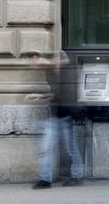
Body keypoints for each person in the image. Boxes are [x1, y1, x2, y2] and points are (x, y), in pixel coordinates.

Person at [25, 50, 84, 189]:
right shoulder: (50, 72)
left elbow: (64, 94)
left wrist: (39, 96)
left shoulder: (68, 71)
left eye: (33, 63)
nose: (33, 67)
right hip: (55, 115)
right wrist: (42, 97)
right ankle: (45, 179)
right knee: (47, 148)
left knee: (71, 148)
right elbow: (55, 93)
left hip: (67, 115)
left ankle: (77, 176)